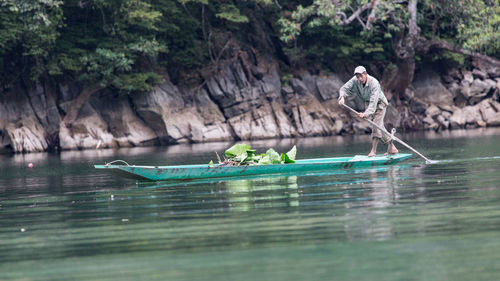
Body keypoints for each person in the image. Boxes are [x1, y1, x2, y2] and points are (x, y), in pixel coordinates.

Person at [338, 66, 398, 157]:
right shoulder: (355, 80)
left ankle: (373, 151)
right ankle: (392, 148)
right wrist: (342, 97)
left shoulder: (374, 83)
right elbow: (343, 89)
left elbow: (373, 103)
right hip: (369, 104)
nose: (359, 79)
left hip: (379, 104)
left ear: (365, 74)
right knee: (379, 127)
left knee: (375, 125)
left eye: (361, 76)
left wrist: (365, 114)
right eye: (357, 77)